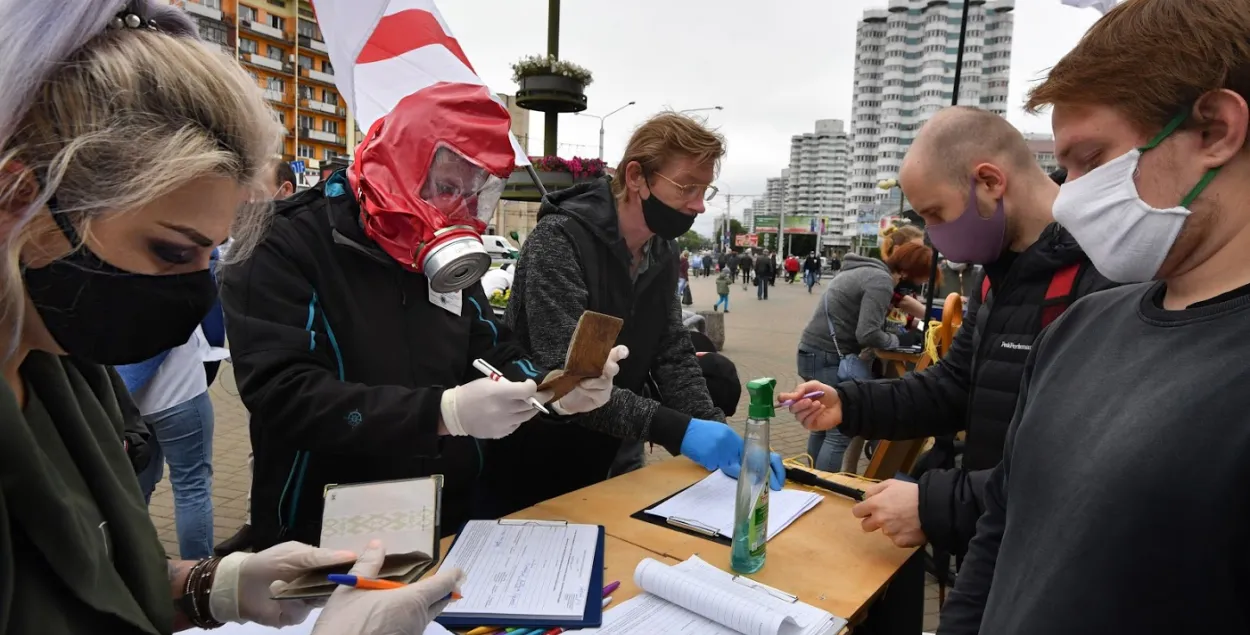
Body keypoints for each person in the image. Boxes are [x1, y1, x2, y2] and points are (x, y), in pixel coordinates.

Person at [0, 2, 463, 633]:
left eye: (209, 254)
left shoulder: (64, 366)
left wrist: (212, 586)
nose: (196, 290)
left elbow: (93, 572)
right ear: (19, 198)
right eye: (170, 250)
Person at [931, 3, 1250, 631]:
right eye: (1064, 167)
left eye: (1092, 159)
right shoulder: (1081, 329)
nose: (1069, 198)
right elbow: (1000, 534)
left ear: (1214, 130)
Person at [220, 83, 622, 551]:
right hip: (323, 527)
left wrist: (552, 391)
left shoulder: (441, 251)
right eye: (448, 187)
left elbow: (489, 347)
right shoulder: (282, 241)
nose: (461, 212)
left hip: (447, 519)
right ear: (398, 162)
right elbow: (285, 394)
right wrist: (441, 414)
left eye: (476, 195)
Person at [781, 106, 1114, 560]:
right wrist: (851, 402)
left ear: (991, 182)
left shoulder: (1106, 272)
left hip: (1053, 561)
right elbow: (955, 386)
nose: (933, 238)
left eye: (936, 214)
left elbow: (1090, 465)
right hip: (992, 546)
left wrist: (938, 504)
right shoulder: (997, 275)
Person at [490, 112, 785, 515]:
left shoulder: (661, 252)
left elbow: (672, 353)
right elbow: (564, 377)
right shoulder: (559, 240)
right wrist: (678, 429)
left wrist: (718, 433)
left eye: (705, 190)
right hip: (528, 455)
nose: (698, 205)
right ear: (636, 177)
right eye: (687, 187)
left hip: (601, 455)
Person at [215, 158, 298, 557]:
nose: (246, 197)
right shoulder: (240, 243)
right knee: (257, 448)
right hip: (247, 369)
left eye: (257, 188)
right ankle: (254, 521)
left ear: (285, 192)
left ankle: (264, 524)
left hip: (279, 376)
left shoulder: (292, 252)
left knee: (273, 449)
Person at [796, 243, 931, 472]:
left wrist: (898, 331)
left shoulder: (861, 270)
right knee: (839, 433)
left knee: (819, 425)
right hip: (829, 355)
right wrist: (900, 341)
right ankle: (822, 488)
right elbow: (867, 332)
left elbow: (868, 321)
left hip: (811, 350)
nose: (920, 285)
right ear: (908, 272)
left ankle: (809, 481)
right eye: (922, 279)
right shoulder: (881, 281)